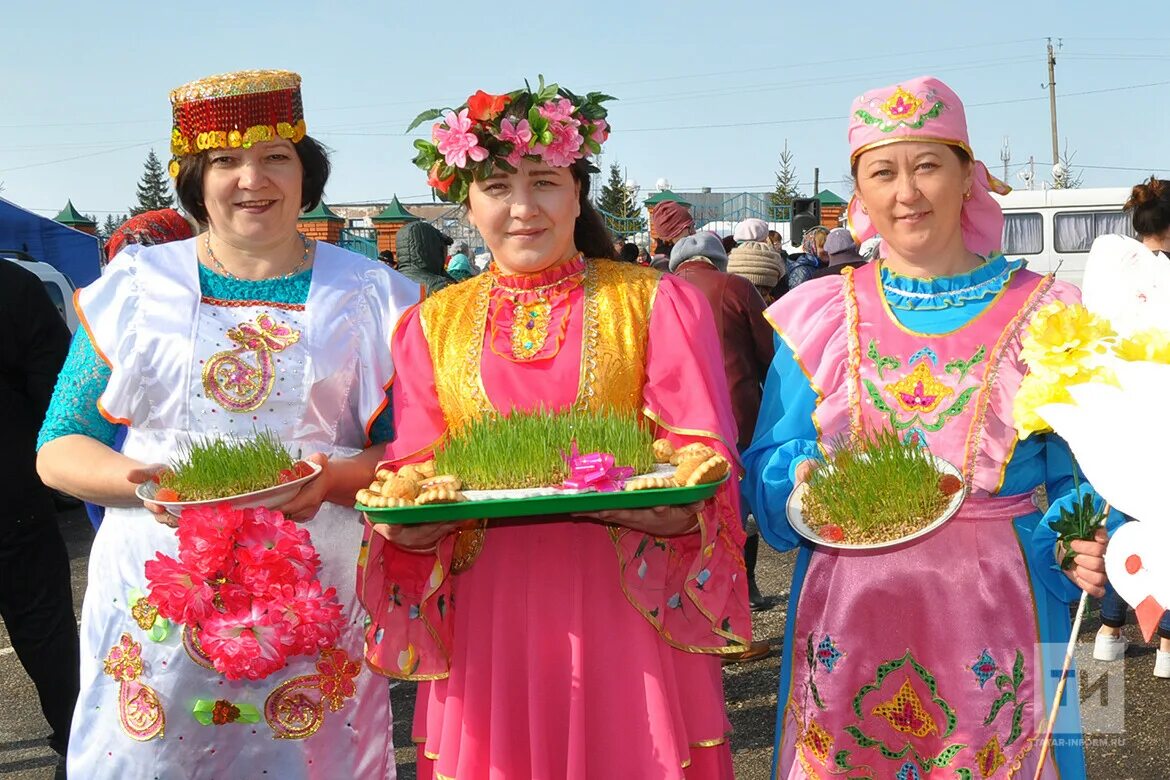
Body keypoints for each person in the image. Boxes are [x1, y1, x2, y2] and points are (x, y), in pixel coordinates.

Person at [358, 80, 751, 779]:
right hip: (491, 612)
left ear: (577, 193)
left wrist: (682, 497)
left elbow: (701, 449)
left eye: (544, 182)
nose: (522, 207)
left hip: (629, 608)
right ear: (466, 204)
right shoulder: (430, 326)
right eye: (497, 187)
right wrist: (401, 523)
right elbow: (414, 465)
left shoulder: (657, 303)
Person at [36, 69, 419, 779]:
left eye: (276, 156)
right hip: (159, 592)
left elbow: (412, 451)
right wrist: (137, 480)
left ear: (307, 172)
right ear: (193, 179)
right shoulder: (136, 286)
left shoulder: (374, 294)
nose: (254, 179)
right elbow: (58, 445)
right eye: (225, 161)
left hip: (317, 586)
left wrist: (334, 478)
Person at [742, 76, 1112, 779]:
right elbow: (767, 460)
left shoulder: (1053, 313)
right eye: (883, 171)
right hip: (849, 612)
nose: (906, 192)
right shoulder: (820, 313)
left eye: (928, 166)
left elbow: (1088, 471)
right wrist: (801, 485)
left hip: (1004, 603)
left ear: (968, 176)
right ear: (860, 192)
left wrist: (1081, 539)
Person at [670, 232, 777, 622]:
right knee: (737, 508)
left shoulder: (662, 291)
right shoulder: (737, 288)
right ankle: (741, 593)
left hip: (675, 424)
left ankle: (688, 598)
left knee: (687, 510)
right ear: (719, 261)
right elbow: (770, 355)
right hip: (737, 419)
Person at [0, 259, 78, 778]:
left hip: (16, 497)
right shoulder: (14, 285)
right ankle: (78, 747)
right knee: (45, 628)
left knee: (46, 629)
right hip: (14, 495)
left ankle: (78, 742)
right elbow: (58, 393)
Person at [1093, 176, 1170, 679]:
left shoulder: (1115, 268)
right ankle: (1166, 642)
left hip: (1126, 415)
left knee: (1125, 517)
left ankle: (1109, 629)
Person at [728, 218, 787, 303]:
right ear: (764, 237)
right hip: (766, 307)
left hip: (736, 305)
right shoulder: (771, 257)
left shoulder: (730, 257)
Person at [396, 221, 457, 294]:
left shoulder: (391, 281)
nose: (446, 252)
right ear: (433, 248)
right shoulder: (440, 286)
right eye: (444, 246)